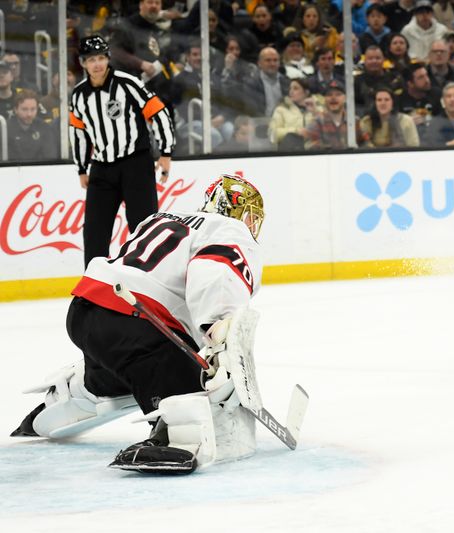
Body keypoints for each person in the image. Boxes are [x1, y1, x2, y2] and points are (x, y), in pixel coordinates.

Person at [12, 174, 265, 474]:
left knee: (127, 364)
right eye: (252, 218)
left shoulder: (163, 217)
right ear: (239, 212)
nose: (252, 227)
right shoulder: (229, 229)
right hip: (132, 322)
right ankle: (175, 435)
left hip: (86, 312)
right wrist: (219, 335)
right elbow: (215, 274)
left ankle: (83, 388)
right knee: (202, 392)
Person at [70, 35, 175, 268]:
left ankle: (149, 278)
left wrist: (165, 153)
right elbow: (78, 133)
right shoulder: (78, 95)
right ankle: (95, 288)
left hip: (135, 165)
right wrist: (81, 168)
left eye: (100, 58)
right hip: (101, 169)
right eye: (91, 59)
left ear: (107, 59)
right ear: (83, 63)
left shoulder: (127, 83)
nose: (96, 64)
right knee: (95, 233)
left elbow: (158, 112)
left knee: (144, 228)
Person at [7, 90, 57, 162]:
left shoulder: (44, 128)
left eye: (33, 109)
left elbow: (50, 157)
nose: (29, 114)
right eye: (24, 109)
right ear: (15, 109)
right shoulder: (5, 129)